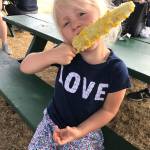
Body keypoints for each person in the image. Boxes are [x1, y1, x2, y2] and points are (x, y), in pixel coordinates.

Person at [20, 0, 131, 149]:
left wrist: (79, 131)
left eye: (81, 13)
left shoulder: (116, 70)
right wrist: (51, 55)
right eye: (66, 23)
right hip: (51, 124)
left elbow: (108, 110)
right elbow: (25, 67)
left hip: (85, 132)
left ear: (102, 14)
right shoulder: (64, 53)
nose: (75, 25)